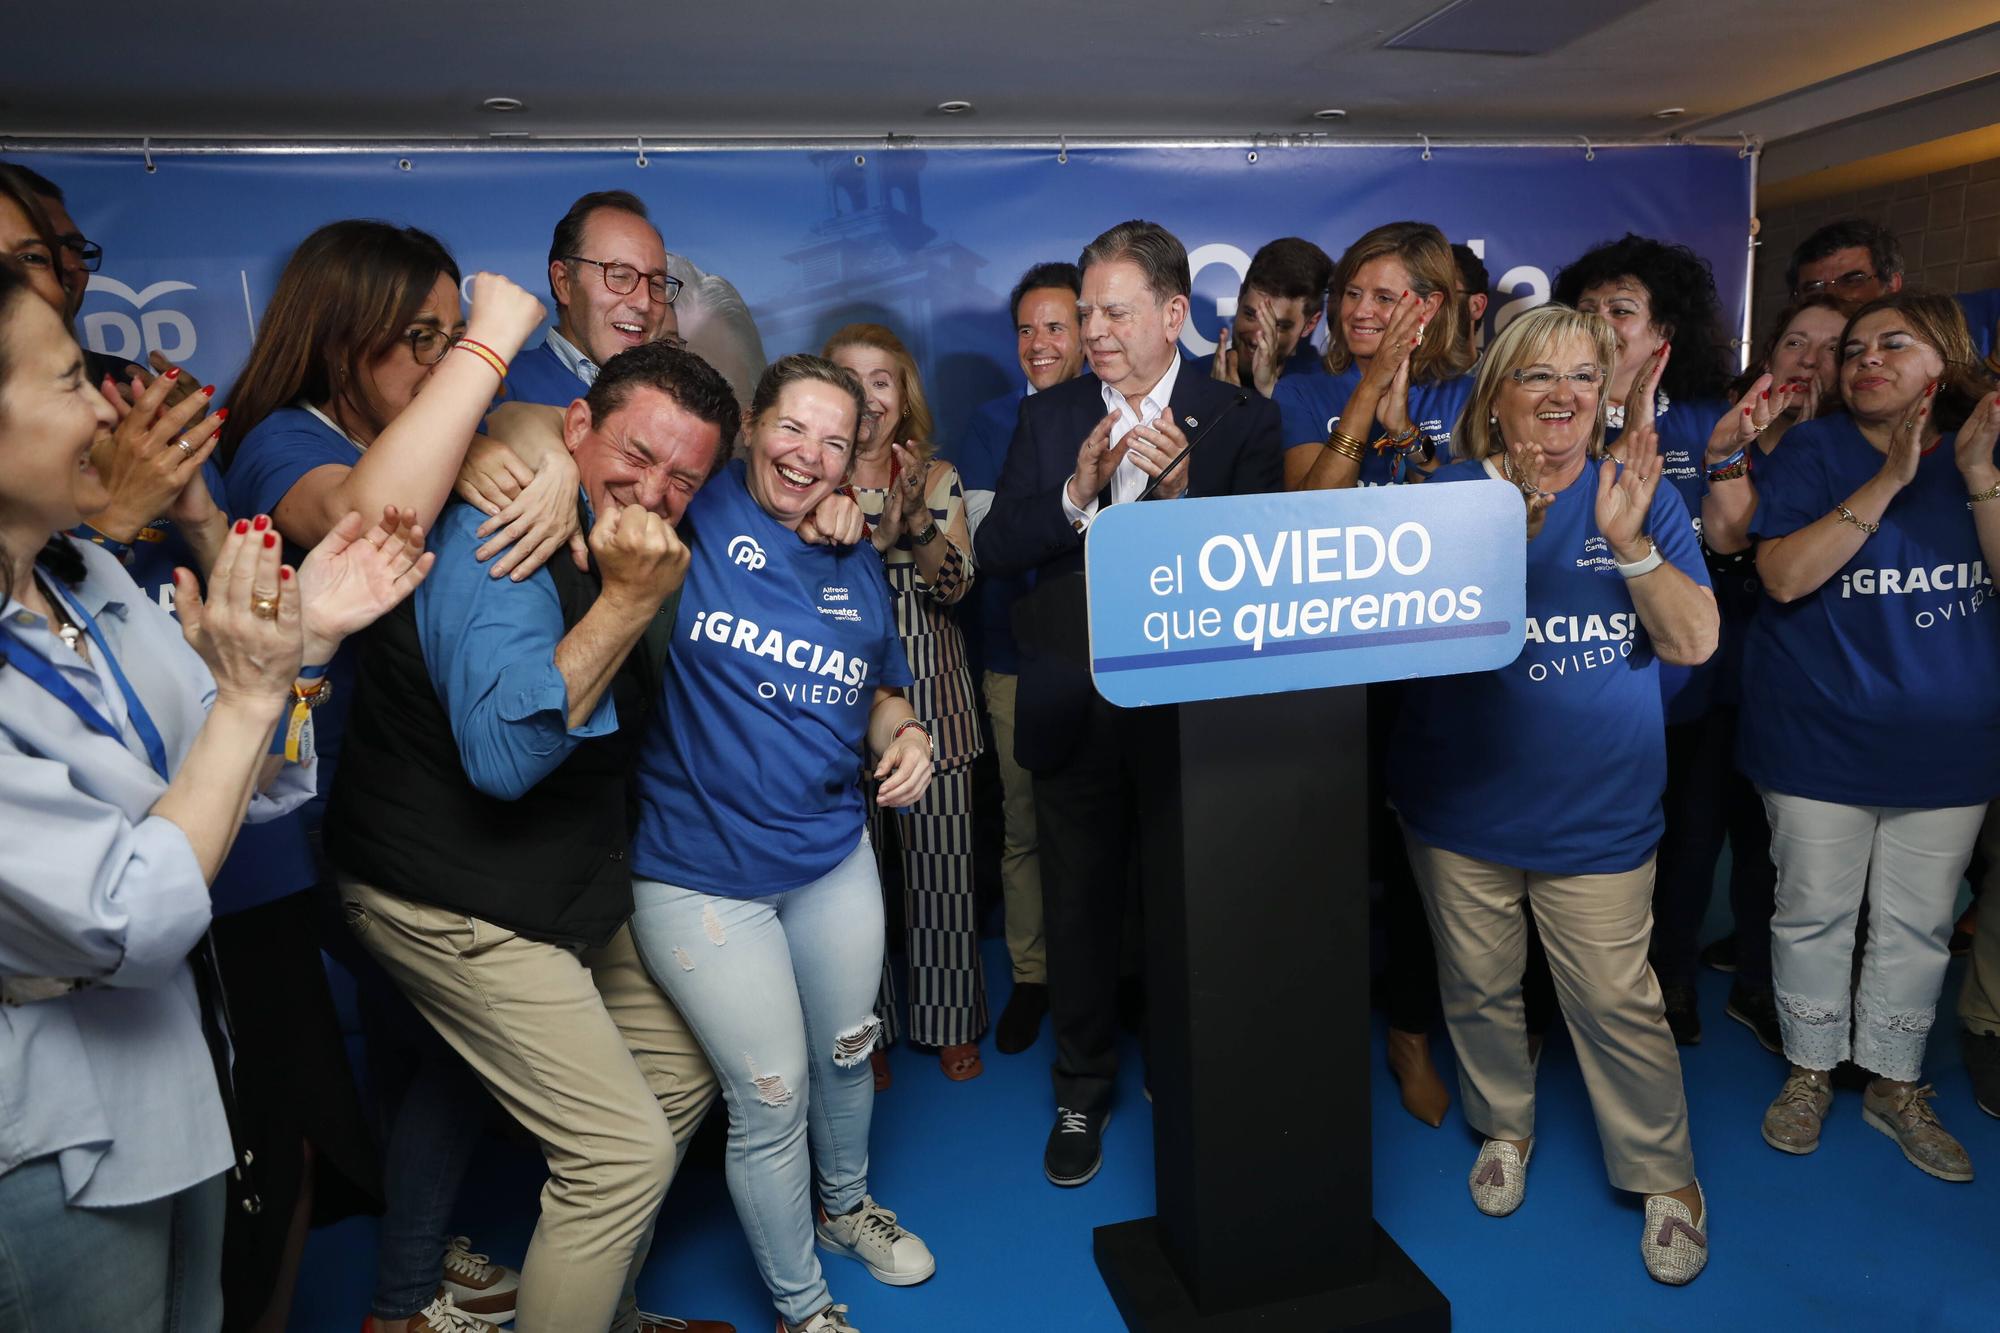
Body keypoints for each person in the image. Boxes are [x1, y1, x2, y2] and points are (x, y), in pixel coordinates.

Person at [0, 256, 430, 1327]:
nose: (107, 402)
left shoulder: (85, 575)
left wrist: (301, 641)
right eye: (65, 381)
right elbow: (132, 915)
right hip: (51, 1133)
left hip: (178, 1068)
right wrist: (249, 700)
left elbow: (248, 789)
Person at [331, 341, 748, 1333]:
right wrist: (631, 601)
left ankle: (595, 1303)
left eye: (683, 477)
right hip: (442, 892)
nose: (652, 490)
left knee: (685, 1062)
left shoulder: (606, 525)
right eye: (635, 456)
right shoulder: (501, 530)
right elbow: (504, 761)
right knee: (620, 1152)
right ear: (572, 430)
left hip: (544, 881)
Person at [220, 224, 560, 1332]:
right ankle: (404, 1293)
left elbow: (549, 422)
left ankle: (413, 1247)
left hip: (394, 792)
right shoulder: (280, 436)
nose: (436, 360)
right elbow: (368, 518)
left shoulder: (409, 421)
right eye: (414, 338)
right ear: (336, 337)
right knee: (464, 1035)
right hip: (306, 812)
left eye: (447, 333)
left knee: (415, 1043)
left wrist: (542, 451)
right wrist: (497, 341)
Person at [1387, 302, 1716, 1284]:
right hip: (1458, 808)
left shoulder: (1634, 492)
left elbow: (1694, 644)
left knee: (1617, 1001)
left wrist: (1630, 545)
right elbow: (1395, 644)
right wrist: (1498, 535)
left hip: (1597, 812)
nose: (1564, 396)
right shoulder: (1445, 492)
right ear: (1497, 396)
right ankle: (1502, 1124)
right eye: (1539, 376)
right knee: (1478, 988)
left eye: (1582, 376)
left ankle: (1666, 1176)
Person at [625, 354, 939, 1333]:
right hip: (700, 874)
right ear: (750, 425)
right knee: (769, 1095)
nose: (806, 455)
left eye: (833, 442)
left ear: (858, 458)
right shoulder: (694, 506)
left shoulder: (853, 560)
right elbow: (553, 438)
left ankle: (844, 1209)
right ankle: (805, 1310)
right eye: (790, 429)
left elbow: (880, 695)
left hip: (828, 855)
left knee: (848, 1052)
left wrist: (911, 734)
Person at [975, 219, 1284, 1187]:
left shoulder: (1239, 420)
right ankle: (1081, 1083)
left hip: (1197, 720)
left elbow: (1263, 577)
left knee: (1188, 900)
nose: (1093, 330)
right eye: (1086, 312)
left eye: (1112, 312)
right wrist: (1074, 492)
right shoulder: (1047, 416)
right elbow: (996, 552)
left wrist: (1192, 504)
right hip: (1075, 706)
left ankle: (1188, 1068)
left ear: (1171, 313)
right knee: (1076, 905)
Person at [1739, 293, 2000, 1183]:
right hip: (1821, 737)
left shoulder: (1986, 452)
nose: (1866, 360)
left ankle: (1895, 1083)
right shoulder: (1814, 449)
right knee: (1812, 912)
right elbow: (1778, 576)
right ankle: (1811, 1070)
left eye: (1895, 342)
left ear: (1949, 358)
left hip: (1950, 744)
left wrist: (1976, 479)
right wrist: (1887, 478)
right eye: (1854, 349)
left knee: (1918, 923)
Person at [1553, 233, 1738, 1044]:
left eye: (1620, 311)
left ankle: (1674, 983)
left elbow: (1730, 547)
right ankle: (1557, 1006)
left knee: (1687, 845)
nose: (1599, 322)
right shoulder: (1551, 414)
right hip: (1581, 693)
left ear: (1664, 335)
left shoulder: (1708, 423)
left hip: (1685, 687)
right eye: (1587, 307)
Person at [822, 322, 986, 1085]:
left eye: (881, 380)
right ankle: (869, 1030)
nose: (866, 395)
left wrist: (915, 520)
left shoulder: (940, 475)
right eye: (848, 379)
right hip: (837, 707)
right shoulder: (805, 476)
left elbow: (956, 588)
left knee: (944, 874)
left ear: (902, 394)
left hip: (934, 696)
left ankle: (950, 1022)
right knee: (853, 887)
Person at [1691, 293, 1848, 1048]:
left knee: (1772, 852)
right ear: (1768, 357)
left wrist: (1818, 444)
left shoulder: (1861, 456)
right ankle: (1673, 982)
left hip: (1801, 683)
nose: (1808, 361)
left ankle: (1759, 982)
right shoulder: (1726, 441)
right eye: (1794, 342)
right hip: (1711, 672)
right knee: (1691, 837)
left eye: (1829, 348)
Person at [949, 259, 1085, 1055]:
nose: (1039, 343)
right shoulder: (991, 422)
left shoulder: (1116, 412)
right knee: (1025, 827)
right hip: (1013, 654)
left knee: (1102, 825)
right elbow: (993, 542)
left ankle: (1108, 967)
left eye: (1055, 326)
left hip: (1106, 661)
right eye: (1026, 329)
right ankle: (1032, 975)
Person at [503, 190, 682, 408]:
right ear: (564, 282)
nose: (644, 302)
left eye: (657, 284)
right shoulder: (497, 388)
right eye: (620, 276)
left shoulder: (675, 402)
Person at [1787, 217, 1999, 359]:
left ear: (1892, 285)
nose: (1832, 296)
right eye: (1814, 288)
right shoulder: (1792, 367)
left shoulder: (1966, 325)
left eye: (1852, 279)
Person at [1195, 235, 1332, 398]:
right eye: (1250, 315)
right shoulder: (1188, 379)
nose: (1256, 339)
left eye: (1277, 326)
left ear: (1310, 325)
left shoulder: (1323, 394)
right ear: (1240, 297)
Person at [1450, 242, 1489, 361]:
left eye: (1443, 293)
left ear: (1476, 306)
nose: (1427, 305)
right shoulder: (1396, 376)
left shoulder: (1496, 379)